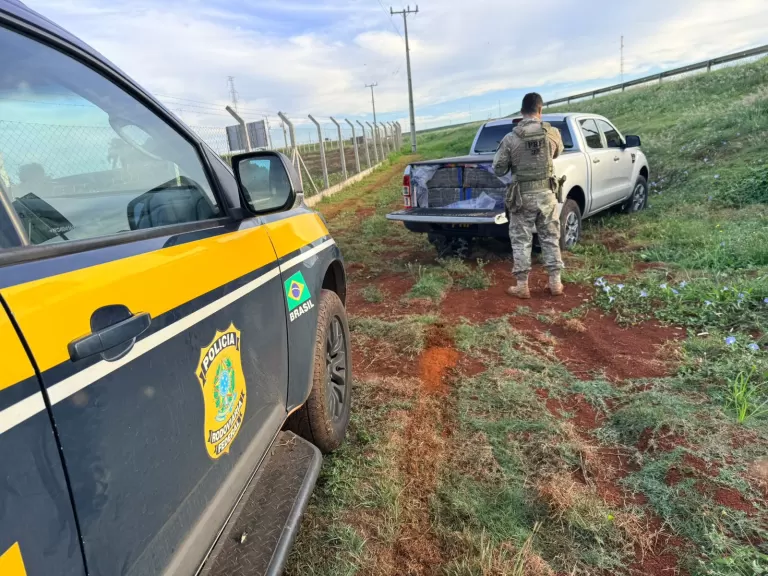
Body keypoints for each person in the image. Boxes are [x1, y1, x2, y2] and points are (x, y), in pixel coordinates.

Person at [492, 92, 565, 299]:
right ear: (540, 110)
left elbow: (498, 169)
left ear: (522, 111)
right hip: (547, 195)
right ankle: (555, 283)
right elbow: (558, 152)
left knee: (521, 240)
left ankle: (522, 286)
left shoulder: (511, 138)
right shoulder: (552, 134)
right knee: (551, 237)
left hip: (522, 197)